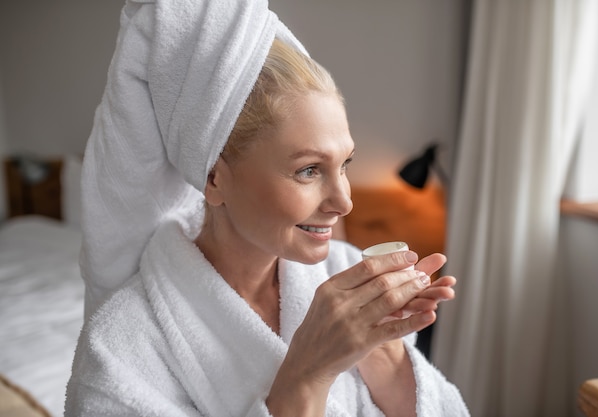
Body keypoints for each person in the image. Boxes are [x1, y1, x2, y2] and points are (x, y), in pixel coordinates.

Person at [65, 1, 470, 416]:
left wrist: (381, 351)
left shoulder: (343, 279)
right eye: (309, 170)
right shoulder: (119, 349)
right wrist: (307, 374)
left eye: (344, 164)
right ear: (214, 179)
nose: (344, 202)